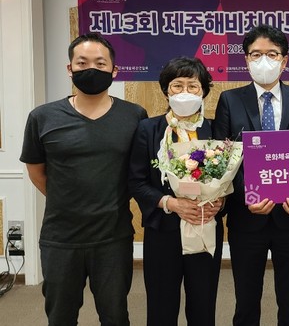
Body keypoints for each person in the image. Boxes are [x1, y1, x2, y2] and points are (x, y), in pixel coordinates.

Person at [20, 33, 148, 326]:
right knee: (60, 317)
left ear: (114, 71)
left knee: (115, 315)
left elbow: (139, 171)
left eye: (100, 63)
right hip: (60, 238)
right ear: (70, 68)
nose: (91, 69)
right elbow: (36, 171)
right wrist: (67, 199)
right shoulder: (42, 117)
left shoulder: (134, 116)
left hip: (113, 237)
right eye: (82, 63)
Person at [212, 24, 289, 326]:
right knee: (246, 298)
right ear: (246, 60)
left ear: (284, 61)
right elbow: (223, 160)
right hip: (247, 216)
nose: (264, 61)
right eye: (256, 54)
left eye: (272, 54)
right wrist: (248, 195)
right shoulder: (230, 100)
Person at [128, 56, 224, 326]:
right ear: (166, 90)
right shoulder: (148, 129)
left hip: (204, 227)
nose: (185, 92)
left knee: (203, 307)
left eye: (193, 86)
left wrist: (220, 202)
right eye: (177, 85)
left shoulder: (216, 129)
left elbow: (230, 177)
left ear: (203, 91)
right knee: (161, 307)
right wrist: (169, 203)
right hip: (163, 231)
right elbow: (136, 181)